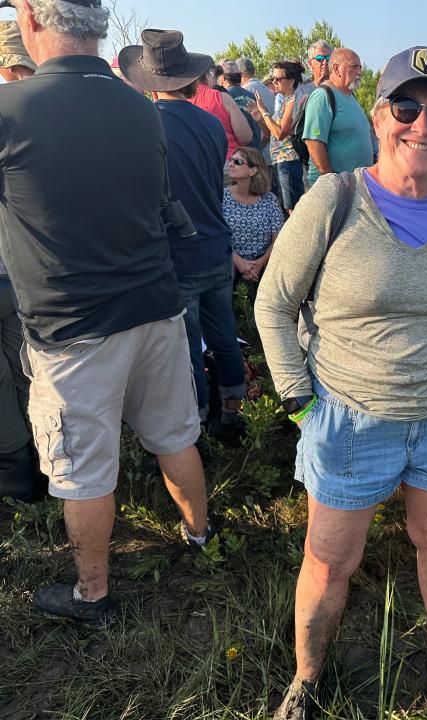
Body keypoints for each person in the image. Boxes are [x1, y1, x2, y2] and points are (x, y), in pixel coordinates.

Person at [256, 45, 427, 720]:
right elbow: (271, 304)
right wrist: (301, 406)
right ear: (379, 115)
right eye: (407, 108)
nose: (423, 126)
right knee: (329, 559)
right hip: (349, 419)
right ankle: (306, 678)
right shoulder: (336, 198)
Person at [0, 3, 214, 627]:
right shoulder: (139, 107)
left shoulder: (11, 111)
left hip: (73, 326)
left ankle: (92, 594)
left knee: (84, 470)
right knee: (175, 434)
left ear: (35, 19)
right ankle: (202, 536)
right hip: (154, 304)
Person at [120, 29, 248, 442]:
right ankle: (232, 413)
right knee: (225, 336)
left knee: (187, 347)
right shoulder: (211, 124)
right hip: (215, 245)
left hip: (178, 253)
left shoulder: (145, 125)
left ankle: (194, 425)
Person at [0, 18, 39, 503]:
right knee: (28, 371)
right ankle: (46, 469)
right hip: (31, 275)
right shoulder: (62, 114)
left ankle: (16, 475)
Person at [302, 47, 373, 186]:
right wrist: (333, 181)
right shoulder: (322, 96)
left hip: (355, 187)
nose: (359, 72)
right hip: (332, 190)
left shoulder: (350, 96)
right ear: (336, 68)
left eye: (360, 67)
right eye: (354, 67)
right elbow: (314, 142)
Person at [224, 146, 285, 302]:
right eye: (231, 160)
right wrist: (238, 261)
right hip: (229, 260)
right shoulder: (221, 197)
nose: (230, 164)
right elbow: (216, 235)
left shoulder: (269, 199)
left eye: (237, 161)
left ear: (252, 170)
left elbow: (279, 239)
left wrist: (260, 262)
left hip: (263, 263)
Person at [257, 60, 306, 213]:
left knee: (292, 209)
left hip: (289, 161)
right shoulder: (285, 102)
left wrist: (264, 112)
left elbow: (280, 133)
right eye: (273, 79)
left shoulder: (293, 101)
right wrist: (260, 118)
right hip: (281, 161)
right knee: (285, 207)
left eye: (278, 79)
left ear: (291, 81)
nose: (274, 82)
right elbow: (273, 132)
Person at [189, 61, 253, 164]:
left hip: (198, 165)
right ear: (208, 75)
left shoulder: (181, 101)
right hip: (228, 162)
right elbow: (246, 137)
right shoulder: (221, 97)